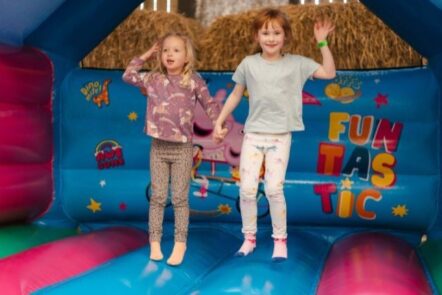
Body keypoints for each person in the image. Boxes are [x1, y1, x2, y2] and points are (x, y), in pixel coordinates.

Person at [213, 8, 336, 262]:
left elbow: (329, 73)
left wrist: (322, 43)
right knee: (246, 190)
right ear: (256, 36)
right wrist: (219, 120)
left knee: (273, 189)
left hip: (280, 137)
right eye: (265, 32)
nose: (271, 38)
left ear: (285, 36)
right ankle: (249, 238)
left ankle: (280, 240)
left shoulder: (297, 63)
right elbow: (236, 94)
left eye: (276, 32)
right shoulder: (249, 64)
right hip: (254, 135)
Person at [123, 32, 220, 266]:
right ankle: (154, 242)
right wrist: (146, 54)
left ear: (186, 57)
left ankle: (180, 243)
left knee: (179, 198)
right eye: (166, 50)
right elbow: (128, 75)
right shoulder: (154, 79)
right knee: (157, 196)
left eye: (176, 50)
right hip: (158, 146)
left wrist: (219, 124)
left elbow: (210, 104)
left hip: (182, 149)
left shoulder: (193, 80)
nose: (169, 54)